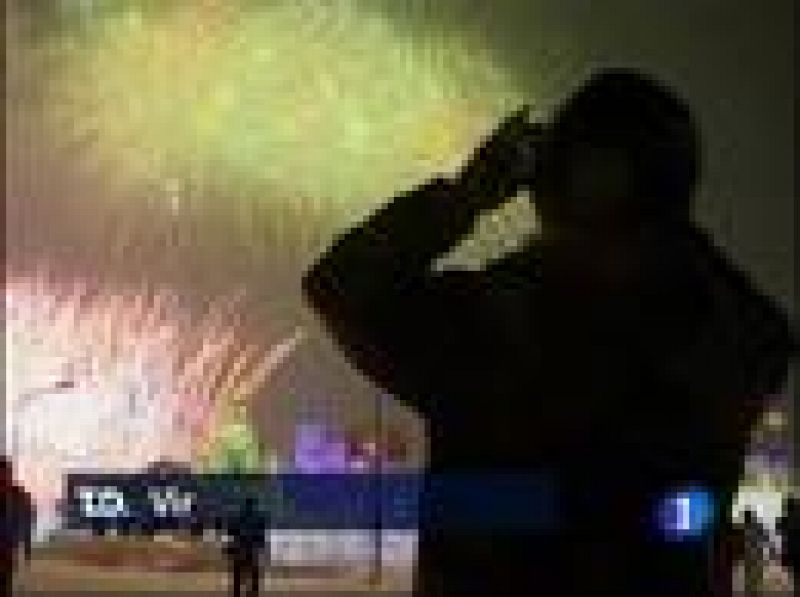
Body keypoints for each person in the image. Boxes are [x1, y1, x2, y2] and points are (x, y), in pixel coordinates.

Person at [303, 68, 795, 595]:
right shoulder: (718, 340)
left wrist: (468, 194)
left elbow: (340, 284)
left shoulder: (488, 328)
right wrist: (662, 213)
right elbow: (765, 331)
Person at [1, 456, 34, 596]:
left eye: (7, 473)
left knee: (6, 582)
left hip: (8, 547)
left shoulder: (20, 495)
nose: (4, 477)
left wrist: (27, 547)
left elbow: (27, 521)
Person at [224, 494, 269, 597]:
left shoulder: (238, 517)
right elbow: (261, 535)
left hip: (240, 548)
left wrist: (231, 546)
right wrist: (261, 547)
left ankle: (237, 593)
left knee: (237, 575)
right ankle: (253, 592)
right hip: (252, 549)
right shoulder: (259, 518)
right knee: (254, 574)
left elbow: (231, 532)